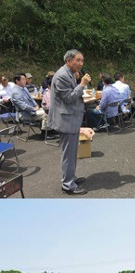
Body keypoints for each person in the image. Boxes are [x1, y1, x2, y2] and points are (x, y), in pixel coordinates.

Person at [48, 49, 91, 195]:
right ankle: (68, 185)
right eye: (78, 60)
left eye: (82, 60)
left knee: (72, 152)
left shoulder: (69, 73)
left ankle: (70, 177)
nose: (81, 63)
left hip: (70, 118)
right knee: (69, 154)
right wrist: (82, 84)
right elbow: (69, 97)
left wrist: (78, 82)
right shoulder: (61, 76)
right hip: (66, 120)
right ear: (68, 61)